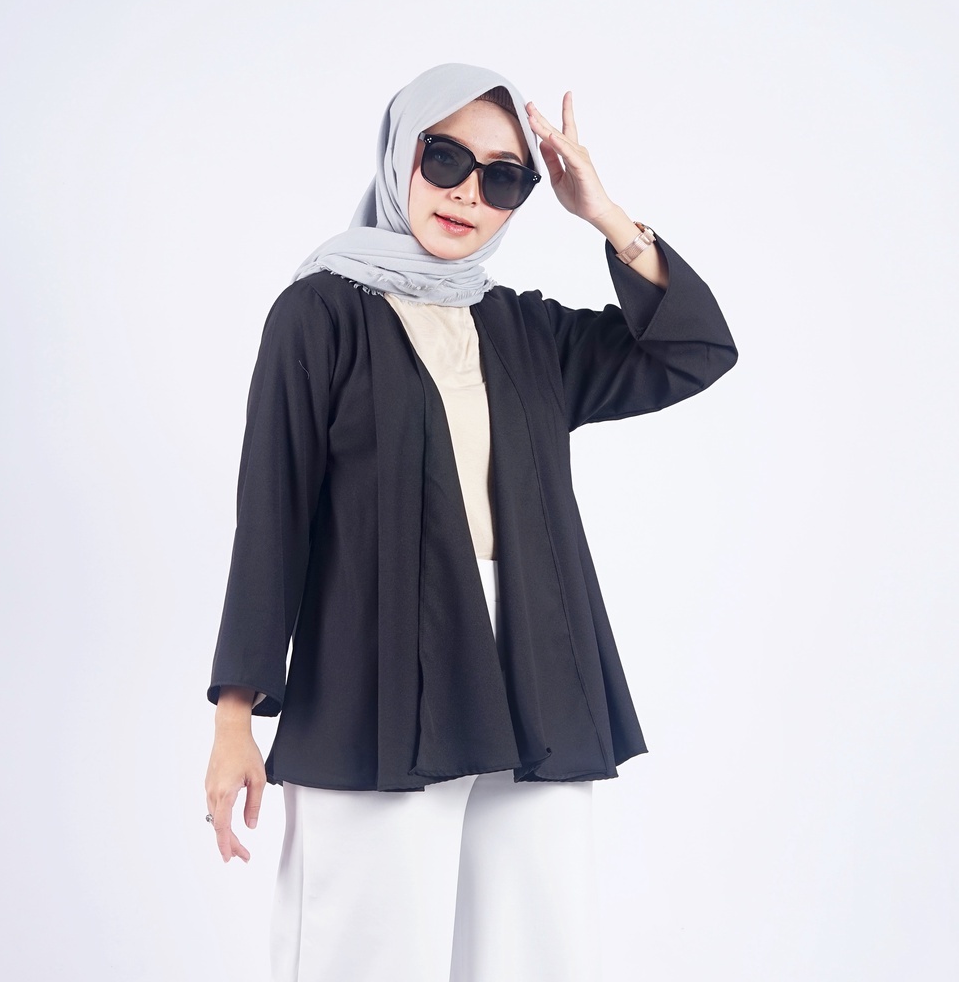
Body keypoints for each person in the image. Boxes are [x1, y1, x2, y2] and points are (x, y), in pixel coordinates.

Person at [204, 63, 737, 982]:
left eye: (503, 178)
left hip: (535, 667)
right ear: (400, 155)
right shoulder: (319, 314)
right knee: (366, 951)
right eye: (446, 158)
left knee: (536, 954)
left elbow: (693, 350)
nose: (466, 193)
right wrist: (234, 718)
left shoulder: (526, 332)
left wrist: (604, 214)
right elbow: (272, 516)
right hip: (374, 672)